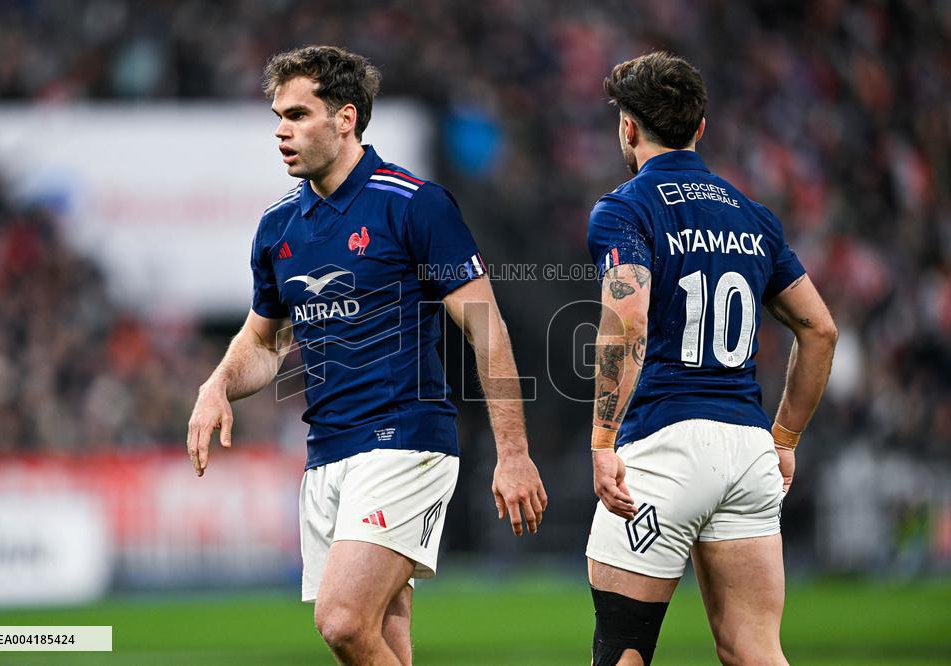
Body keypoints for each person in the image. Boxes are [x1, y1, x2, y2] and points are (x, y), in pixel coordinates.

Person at [186, 45, 547, 665]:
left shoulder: (413, 204)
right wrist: (215, 385)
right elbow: (263, 342)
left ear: (346, 118)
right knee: (384, 638)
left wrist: (513, 453)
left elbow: (487, 331)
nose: (280, 130)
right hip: (327, 453)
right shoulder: (278, 229)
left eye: (297, 115)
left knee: (343, 622)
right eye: (277, 115)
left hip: (405, 440)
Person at [584, 52, 838, 665]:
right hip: (747, 449)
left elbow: (630, 317)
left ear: (628, 128)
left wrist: (601, 440)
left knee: (623, 651)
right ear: (701, 128)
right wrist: (785, 439)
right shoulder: (754, 217)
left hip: (664, 448)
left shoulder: (625, 208)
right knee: (755, 650)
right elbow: (821, 330)